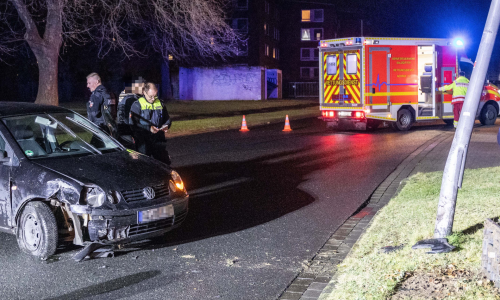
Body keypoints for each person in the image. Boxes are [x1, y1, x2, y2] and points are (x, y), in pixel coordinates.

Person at [129, 82, 172, 165]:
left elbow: (167, 119)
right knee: (144, 165)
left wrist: (166, 125)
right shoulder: (137, 105)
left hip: (158, 140)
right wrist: (149, 128)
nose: (153, 99)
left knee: (165, 164)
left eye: (155, 96)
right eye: (150, 97)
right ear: (144, 93)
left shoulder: (160, 103)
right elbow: (133, 124)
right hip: (143, 142)